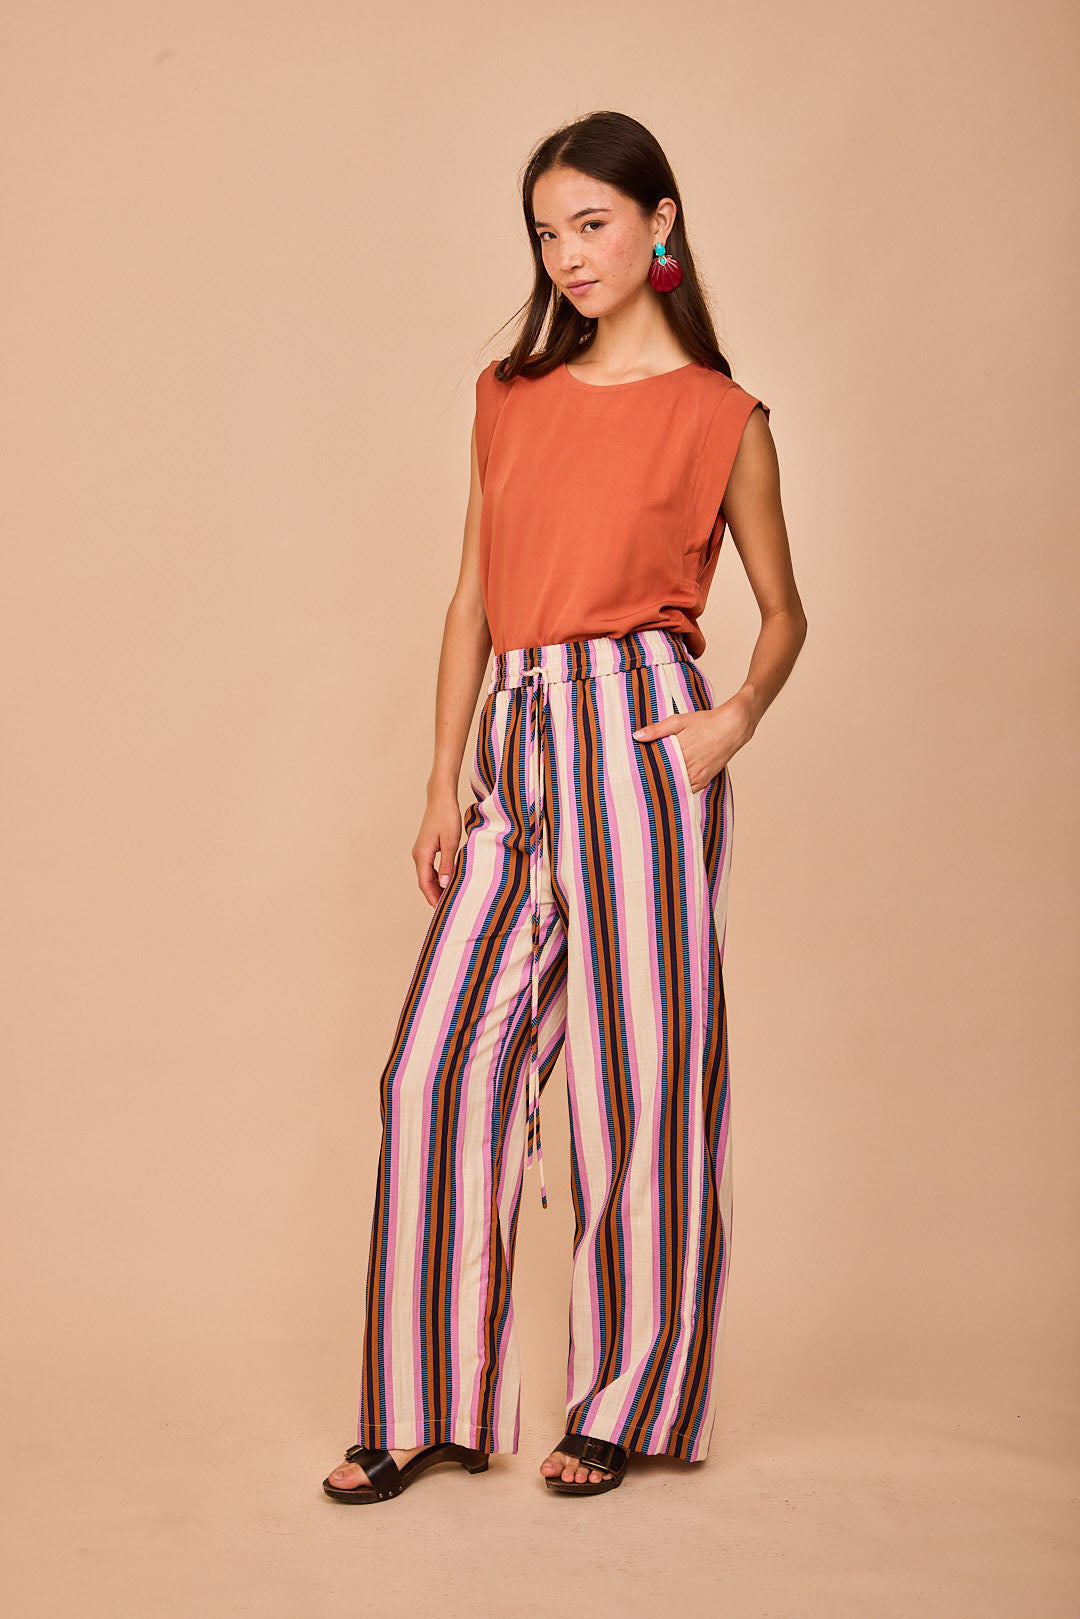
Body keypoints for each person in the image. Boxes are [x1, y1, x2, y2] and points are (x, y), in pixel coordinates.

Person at [322, 109, 806, 1505]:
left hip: (643, 736)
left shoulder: (722, 417)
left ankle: (627, 1405)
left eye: (592, 223)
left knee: (642, 1077)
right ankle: (425, 1407)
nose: (569, 255)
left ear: (662, 223)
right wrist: (441, 777)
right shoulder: (509, 396)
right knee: (435, 1069)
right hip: (517, 738)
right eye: (548, 233)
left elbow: (786, 612)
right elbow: (473, 601)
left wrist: (735, 718)